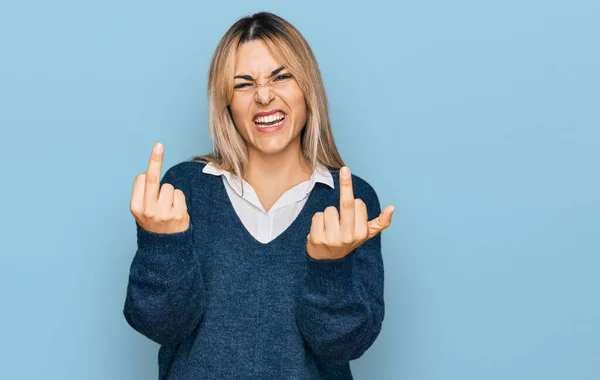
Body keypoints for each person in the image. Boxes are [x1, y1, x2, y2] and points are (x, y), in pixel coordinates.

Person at [124, 11, 395, 380]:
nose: (264, 95)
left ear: (307, 87)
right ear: (227, 104)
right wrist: (162, 245)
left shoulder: (350, 201)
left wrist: (330, 266)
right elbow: (161, 327)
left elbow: (344, 347)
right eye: (243, 84)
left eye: (281, 77)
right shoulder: (184, 188)